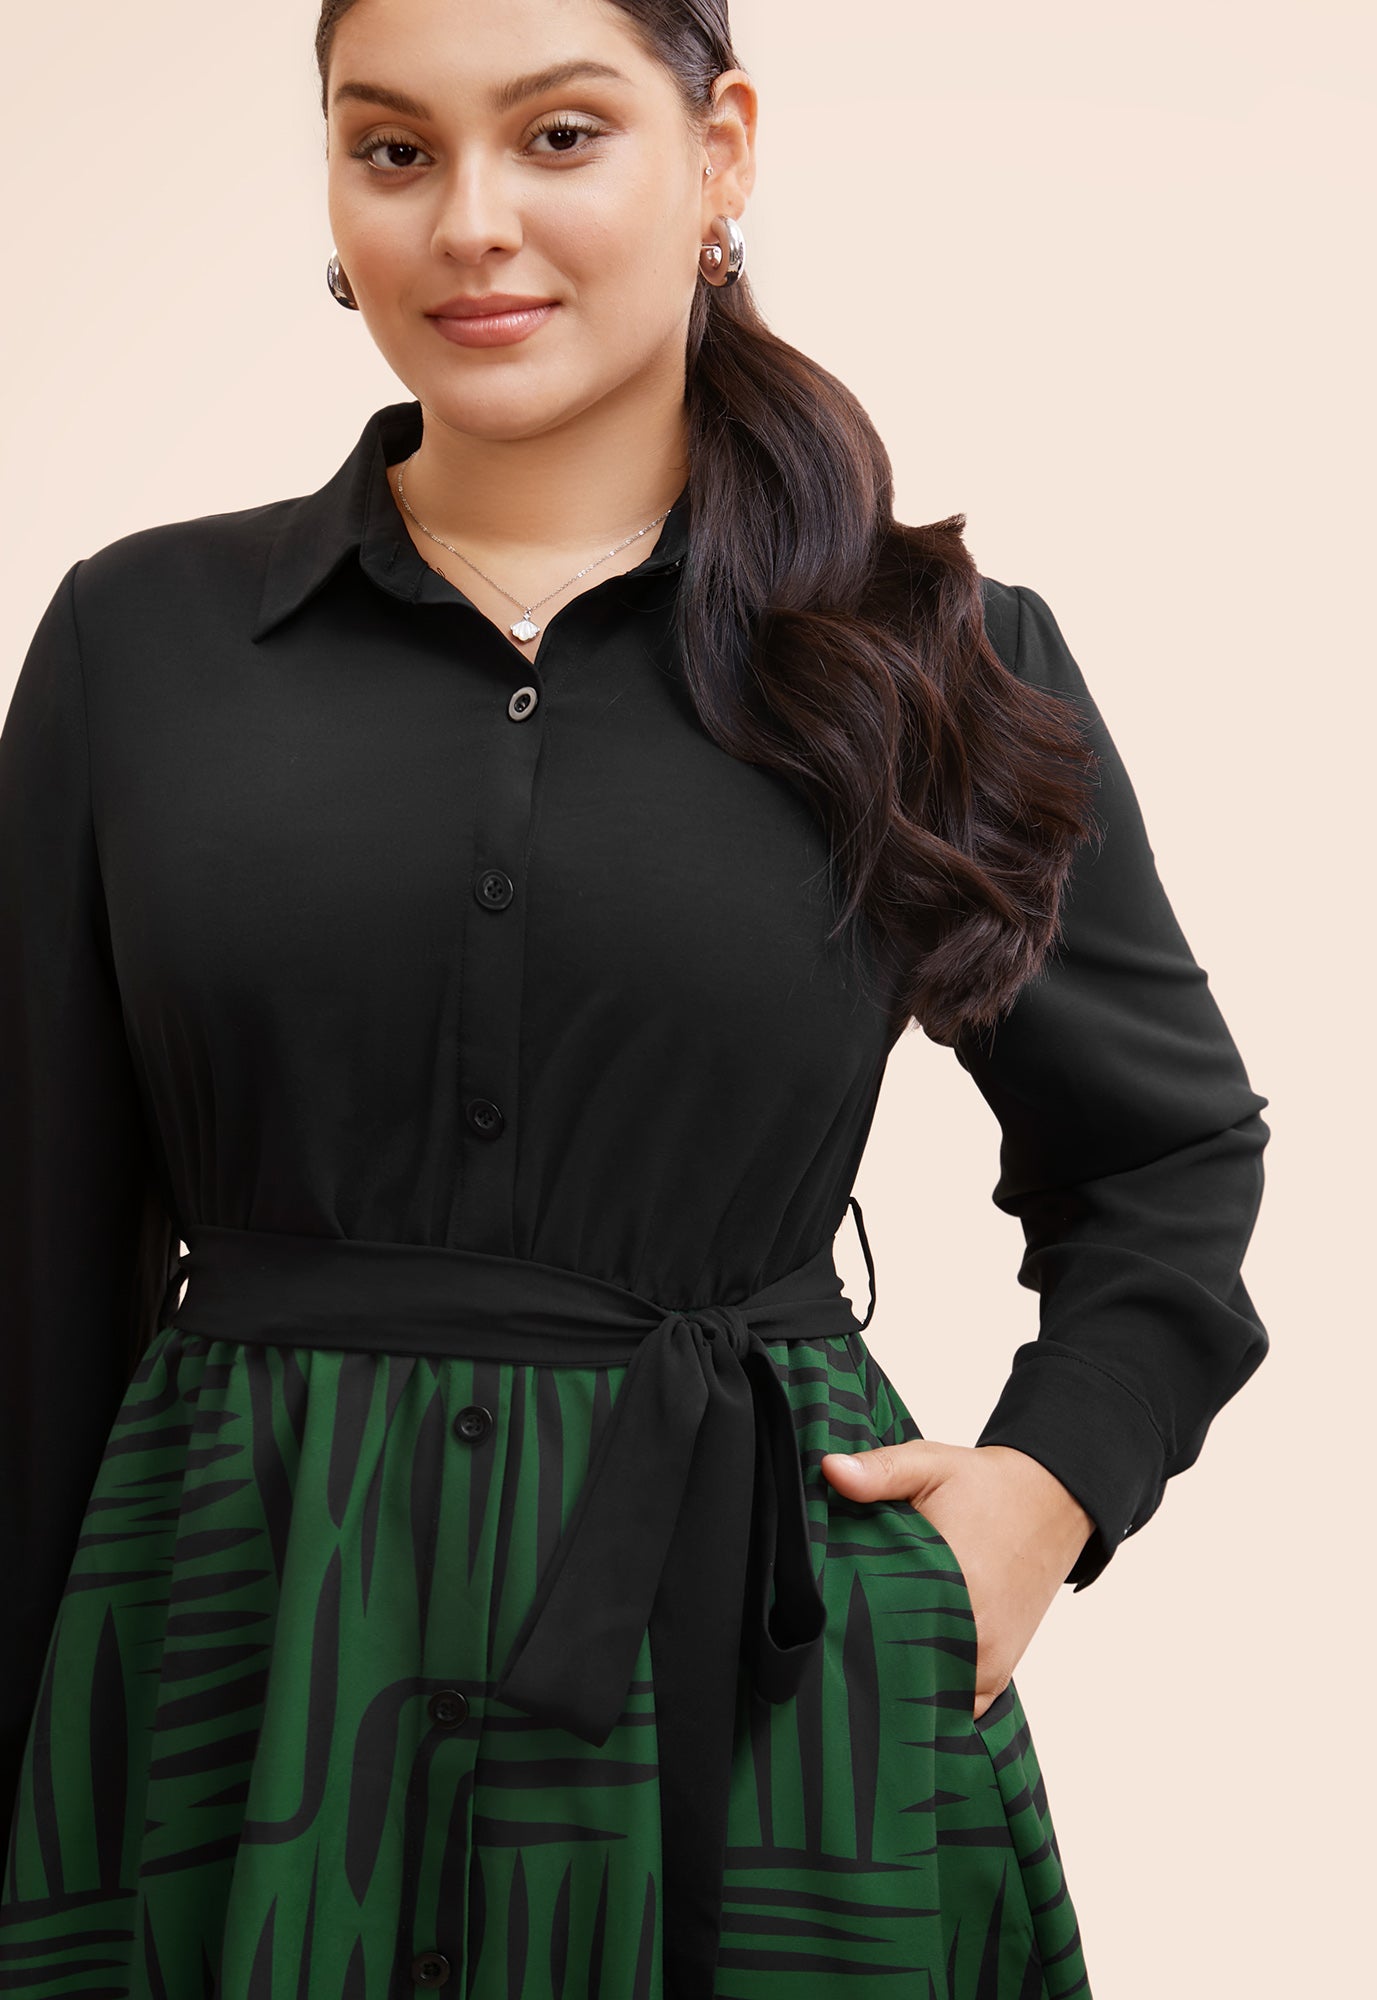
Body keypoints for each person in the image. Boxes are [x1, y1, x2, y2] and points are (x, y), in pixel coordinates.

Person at [0, 1, 1270, 1994]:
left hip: (766, 1695)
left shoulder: (938, 656)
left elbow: (1167, 1156)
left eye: (559, 136)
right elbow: (32, 1268)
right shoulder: (137, 643)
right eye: (394, 149)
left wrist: (1040, 1500)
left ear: (721, 151)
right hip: (238, 1678)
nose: (468, 222)